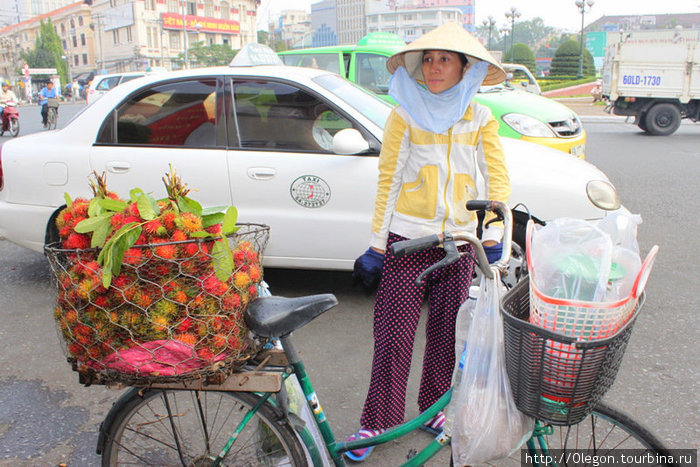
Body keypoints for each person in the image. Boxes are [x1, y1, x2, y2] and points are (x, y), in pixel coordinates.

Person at [347, 22, 511, 462]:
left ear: (464, 67)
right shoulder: (403, 115)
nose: (435, 68)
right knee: (393, 336)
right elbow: (389, 180)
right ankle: (378, 421)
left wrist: (493, 232)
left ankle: (435, 409)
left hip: (458, 242)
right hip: (407, 241)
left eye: (446, 59)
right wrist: (377, 245)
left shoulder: (479, 117)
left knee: (445, 335)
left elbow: (496, 180)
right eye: (429, 60)